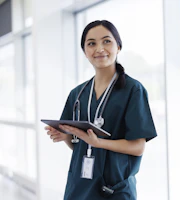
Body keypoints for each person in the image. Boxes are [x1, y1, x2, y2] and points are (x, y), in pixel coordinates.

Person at [45, 20, 157, 200]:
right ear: (85, 51)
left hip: (115, 190)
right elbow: (80, 146)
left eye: (106, 41)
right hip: (80, 187)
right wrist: (66, 137)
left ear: (118, 47)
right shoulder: (77, 94)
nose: (99, 48)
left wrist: (100, 143)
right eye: (91, 43)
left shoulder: (133, 90)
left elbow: (138, 147)